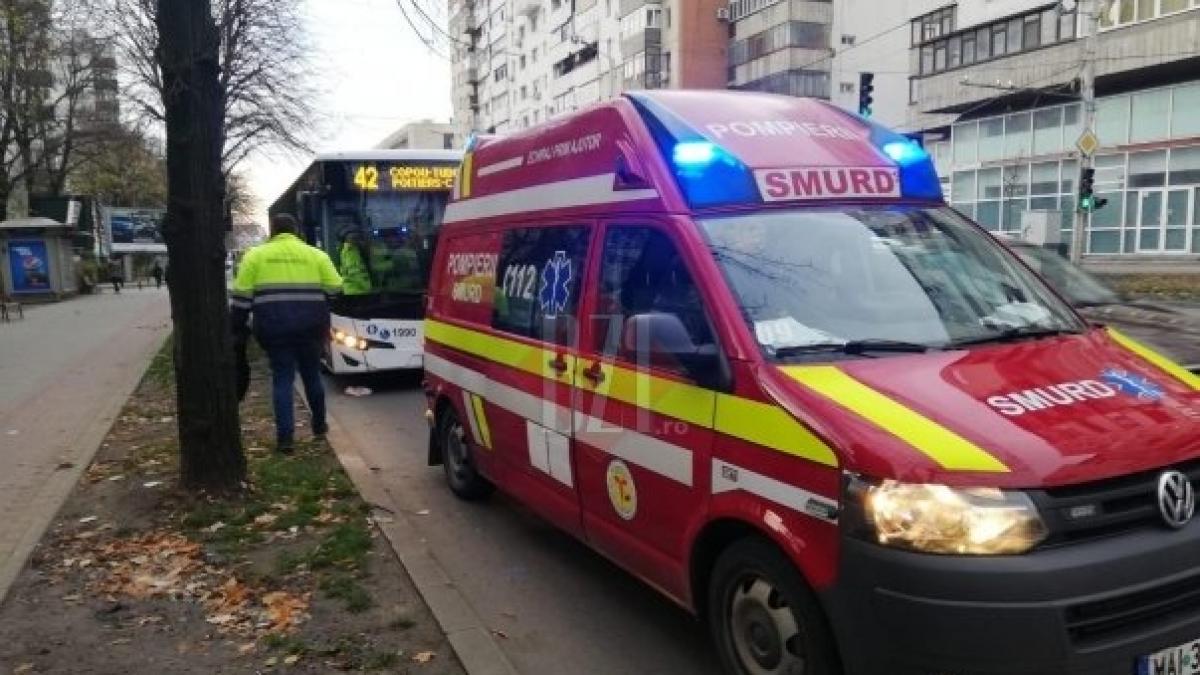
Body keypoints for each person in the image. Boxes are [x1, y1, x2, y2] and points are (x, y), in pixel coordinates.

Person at [230, 214, 343, 453]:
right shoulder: (317, 255)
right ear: (296, 231)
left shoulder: (255, 256)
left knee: (282, 379)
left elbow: (241, 298)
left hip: (274, 328)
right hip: (311, 328)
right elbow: (335, 288)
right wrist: (321, 305)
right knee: (312, 376)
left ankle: (285, 440)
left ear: (273, 231)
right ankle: (320, 426)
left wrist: (237, 327)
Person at [337, 229, 372, 295]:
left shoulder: (350, 249)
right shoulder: (351, 251)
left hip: (353, 289)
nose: (357, 240)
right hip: (357, 289)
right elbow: (354, 271)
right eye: (355, 238)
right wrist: (366, 287)